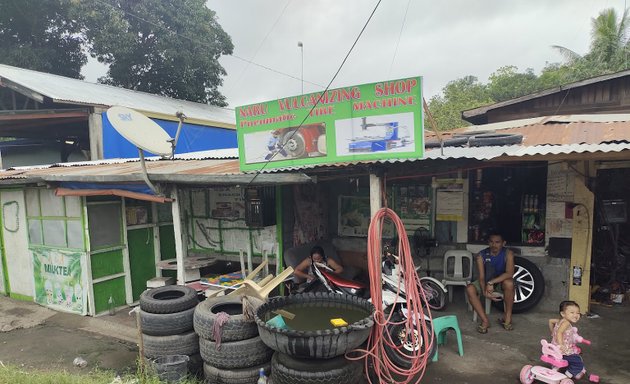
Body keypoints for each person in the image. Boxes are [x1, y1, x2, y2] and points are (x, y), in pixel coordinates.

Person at [466, 233, 515, 333]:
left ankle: (507, 317)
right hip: (486, 280)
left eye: (497, 242)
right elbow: (481, 277)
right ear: (488, 243)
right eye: (491, 242)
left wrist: (491, 282)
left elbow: (509, 273)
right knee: (469, 289)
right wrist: (484, 291)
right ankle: (485, 320)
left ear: (503, 243)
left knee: (509, 283)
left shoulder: (508, 254)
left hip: (500, 281)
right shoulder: (481, 255)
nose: (494, 245)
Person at [549, 301, 587, 380]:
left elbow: (550, 321)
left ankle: (556, 366)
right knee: (578, 361)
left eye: (578, 313)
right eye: (572, 312)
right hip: (563, 351)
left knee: (573, 356)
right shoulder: (566, 323)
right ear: (563, 314)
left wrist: (552, 332)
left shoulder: (560, 321)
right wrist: (561, 345)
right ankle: (568, 374)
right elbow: (560, 332)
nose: (576, 315)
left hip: (554, 348)